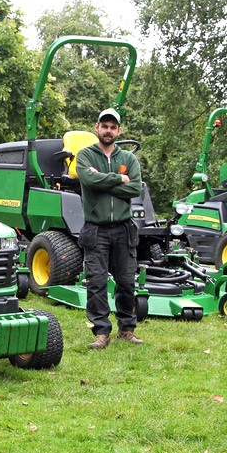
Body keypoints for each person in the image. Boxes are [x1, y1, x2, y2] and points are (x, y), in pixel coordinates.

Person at [75, 108, 144, 350]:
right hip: (96, 229)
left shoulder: (129, 159)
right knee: (97, 282)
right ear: (97, 128)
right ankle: (101, 332)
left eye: (113, 127)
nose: (108, 130)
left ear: (119, 131)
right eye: (104, 126)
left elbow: (136, 188)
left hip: (124, 229)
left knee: (126, 281)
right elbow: (89, 180)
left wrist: (103, 181)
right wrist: (118, 179)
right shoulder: (84, 156)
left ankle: (127, 329)